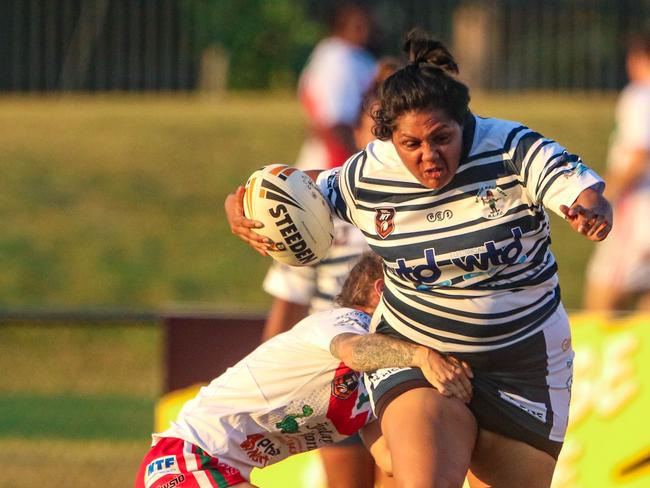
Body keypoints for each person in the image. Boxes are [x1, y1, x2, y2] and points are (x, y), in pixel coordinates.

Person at [225, 30, 613, 488]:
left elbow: (585, 192)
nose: (429, 156)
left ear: (463, 121)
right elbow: (295, 188)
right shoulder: (369, 173)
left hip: (523, 368)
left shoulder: (512, 148)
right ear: (391, 139)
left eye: (441, 138)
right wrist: (240, 203)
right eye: (411, 144)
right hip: (419, 354)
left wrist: (591, 210)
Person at [135, 252, 466, 488]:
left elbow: (391, 460)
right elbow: (356, 352)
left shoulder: (379, 378)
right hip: (187, 459)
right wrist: (424, 356)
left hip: (220, 469)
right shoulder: (345, 322)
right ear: (381, 290)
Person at [260, 56, 400, 488]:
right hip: (337, 375)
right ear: (356, 133)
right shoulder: (317, 210)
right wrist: (270, 379)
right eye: (374, 131)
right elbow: (290, 298)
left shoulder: (424, 208)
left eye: (393, 133)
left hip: (403, 370)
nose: (384, 144)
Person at [584, 31, 650, 312]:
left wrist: (603, 195)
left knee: (604, 293)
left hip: (637, 208)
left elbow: (639, 154)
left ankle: (588, 358)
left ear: (638, 59)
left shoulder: (640, 96)